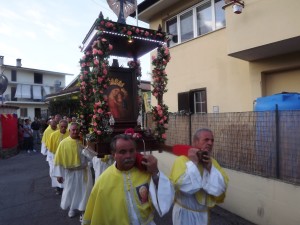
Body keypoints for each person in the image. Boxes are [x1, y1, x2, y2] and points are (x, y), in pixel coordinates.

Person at [82, 134, 174, 225]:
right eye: (123, 152)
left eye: (132, 151)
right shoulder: (103, 181)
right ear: (114, 154)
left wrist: (155, 172)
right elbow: (98, 214)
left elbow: (164, 198)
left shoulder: (146, 172)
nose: (128, 156)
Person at [170, 128, 229, 225]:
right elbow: (184, 187)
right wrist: (194, 163)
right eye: (206, 140)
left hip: (202, 215)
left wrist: (210, 169)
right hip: (185, 213)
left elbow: (221, 188)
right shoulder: (181, 160)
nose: (210, 143)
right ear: (195, 142)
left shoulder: (213, 163)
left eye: (212, 140)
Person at [53, 122, 93, 219]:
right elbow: (58, 159)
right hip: (70, 172)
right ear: (69, 130)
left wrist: (86, 150)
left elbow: (91, 157)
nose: (75, 131)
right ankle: (71, 208)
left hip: (83, 171)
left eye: (77, 130)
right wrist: (59, 175)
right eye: (73, 130)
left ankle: (83, 210)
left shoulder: (83, 142)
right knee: (71, 191)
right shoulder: (63, 143)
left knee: (84, 191)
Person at [46, 119, 69, 195]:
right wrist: (52, 158)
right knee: (57, 172)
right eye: (62, 126)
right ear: (59, 126)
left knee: (66, 173)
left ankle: (66, 187)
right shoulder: (53, 135)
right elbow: (50, 148)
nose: (63, 128)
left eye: (65, 127)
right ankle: (58, 188)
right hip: (55, 156)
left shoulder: (69, 134)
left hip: (66, 157)